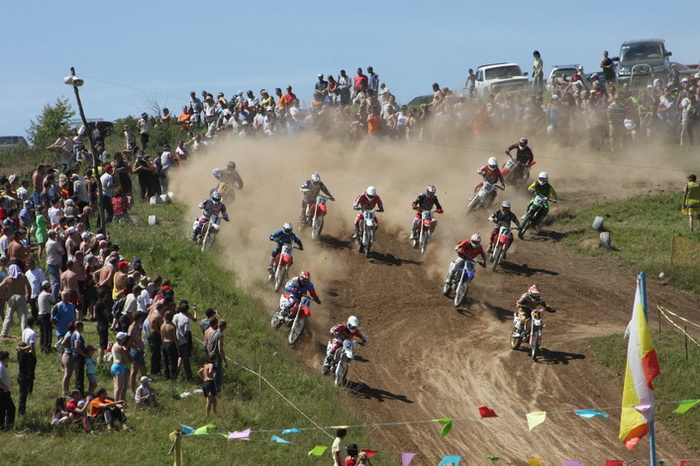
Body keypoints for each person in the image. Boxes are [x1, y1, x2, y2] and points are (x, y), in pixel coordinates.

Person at [0, 265, 31, 338]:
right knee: (23, 316)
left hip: (11, 297)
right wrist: (28, 295)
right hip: (20, 296)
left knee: (8, 316)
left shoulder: (8, 278)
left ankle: (3, 333)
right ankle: (24, 333)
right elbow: (28, 286)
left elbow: (0, 286)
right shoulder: (23, 277)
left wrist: (3, 295)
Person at [173, 304, 193, 380]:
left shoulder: (175, 316)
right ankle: (188, 376)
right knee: (185, 359)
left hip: (175, 339)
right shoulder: (186, 319)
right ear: (187, 310)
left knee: (176, 357)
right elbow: (186, 331)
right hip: (183, 341)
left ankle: (175, 373)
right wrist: (186, 340)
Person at [111, 332, 132, 402]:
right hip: (119, 366)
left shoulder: (114, 345)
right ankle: (116, 402)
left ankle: (115, 401)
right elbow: (126, 360)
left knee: (116, 386)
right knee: (119, 387)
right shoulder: (120, 348)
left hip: (114, 365)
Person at [37, 281, 55, 354]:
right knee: (48, 332)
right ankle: (47, 348)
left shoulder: (40, 294)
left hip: (40, 315)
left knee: (42, 332)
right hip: (46, 315)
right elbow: (54, 302)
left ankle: (42, 346)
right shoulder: (47, 295)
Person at [160, 310, 179, 379]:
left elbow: (162, 337)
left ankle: (166, 375)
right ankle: (173, 375)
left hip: (164, 343)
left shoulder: (162, 325)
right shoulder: (172, 326)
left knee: (165, 361)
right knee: (172, 361)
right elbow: (175, 338)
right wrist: (177, 348)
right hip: (171, 343)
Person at [0, 350, 15, 430]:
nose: (9, 358)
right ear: (5, 358)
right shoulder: (0, 367)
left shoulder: (3, 366)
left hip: (5, 392)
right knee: (9, 409)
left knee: (5, 409)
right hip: (2, 392)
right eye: (8, 357)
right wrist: (5, 387)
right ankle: (6, 427)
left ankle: (5, 426)